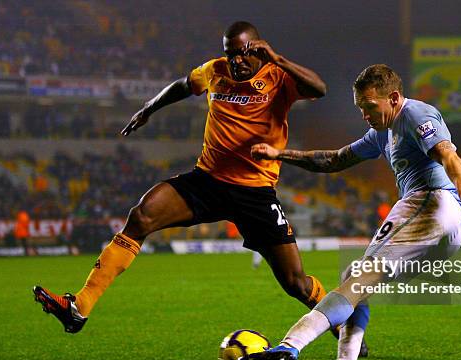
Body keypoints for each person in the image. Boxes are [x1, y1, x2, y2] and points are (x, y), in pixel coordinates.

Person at [32, 21, 333, 336]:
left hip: (255, 193)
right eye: (230, 54)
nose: (236, 62)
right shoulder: (215, 70)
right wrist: (150, 107)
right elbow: (182, 85)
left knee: (295, 282)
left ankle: (342, 323)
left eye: (243, 54)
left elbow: (319, 89)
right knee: (141, 216)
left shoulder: (278, 76)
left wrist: (278, 58)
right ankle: (79, 307)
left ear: (258, 48)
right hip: (207, 181)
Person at [245, 64, 461, 360]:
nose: (365, 114)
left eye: (370, 106)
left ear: (394, 97)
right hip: (445, 227)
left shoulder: (415, 115)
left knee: (357, 280)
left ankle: (291, 344)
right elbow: (334, 160)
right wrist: (279, 154)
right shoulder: (381, 133)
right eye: (361, 108)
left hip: (431, 204)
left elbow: (448, 155)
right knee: (355, 276)